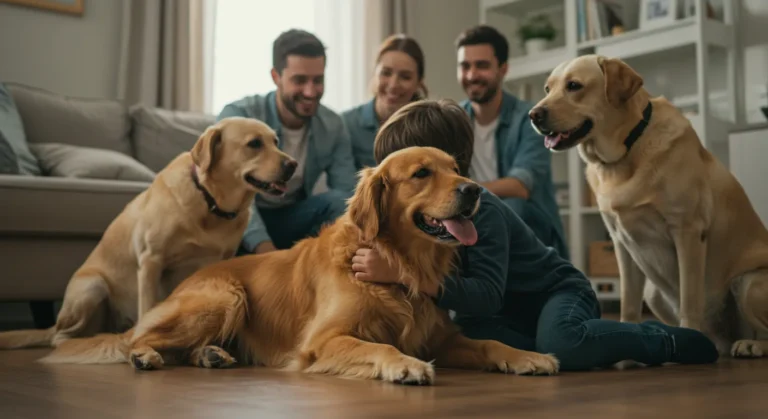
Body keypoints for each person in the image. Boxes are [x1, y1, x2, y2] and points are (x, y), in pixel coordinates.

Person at [350, 99, 719, 371]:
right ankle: (581, 341)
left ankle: (662, 339)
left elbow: (487, 295)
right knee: (474, 343)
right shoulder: (425, 223)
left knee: (564, 346)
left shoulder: (485, 212)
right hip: (507, 315)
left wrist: (403, 275)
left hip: (555, 293)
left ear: (454, 163)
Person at [217, 29, 357, 254]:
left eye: (318, 80)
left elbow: (347, 194)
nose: (311, 92)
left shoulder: (333, 125)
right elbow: (228, 192)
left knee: (340, 202)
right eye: (299, 80)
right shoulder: (238, 117)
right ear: (276, 77)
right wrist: (268, 252)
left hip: (292, 218)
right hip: (240, 224)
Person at [455, 25, 569, 260]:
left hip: (529, 228)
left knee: (511, 207)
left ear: (503, 69)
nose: (471, 75)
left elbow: (519, 187)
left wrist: (465, 190)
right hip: (475, 220)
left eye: (482, 65)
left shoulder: (531, 118)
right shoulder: (453, 120)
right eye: (465, 66)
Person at [342, 34, 428, 171]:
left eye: (405, 77)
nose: (393, 85)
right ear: (374, 73)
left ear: (419, 82)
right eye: (386, 73)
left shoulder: (430, 127)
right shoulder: (346, 125)